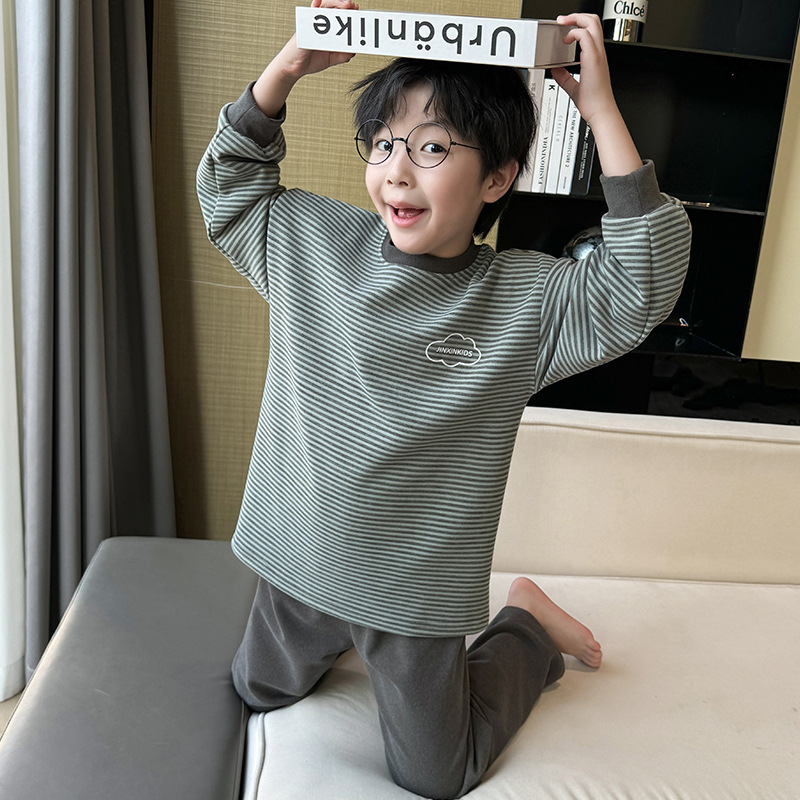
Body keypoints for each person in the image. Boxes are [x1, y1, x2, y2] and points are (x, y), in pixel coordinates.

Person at [196, 2, 691, 797]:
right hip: (298, 566)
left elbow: (643, 285)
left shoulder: (522, 304)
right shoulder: (315, 245)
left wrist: (600, 110)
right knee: (257, 689)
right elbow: (229, 191)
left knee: (438, 777)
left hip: (413, 600)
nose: (397, 170)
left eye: (431, 148)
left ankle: (526, 626)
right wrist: (286, 69)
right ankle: (336, 635)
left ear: (497, 177)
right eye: (383, 143)